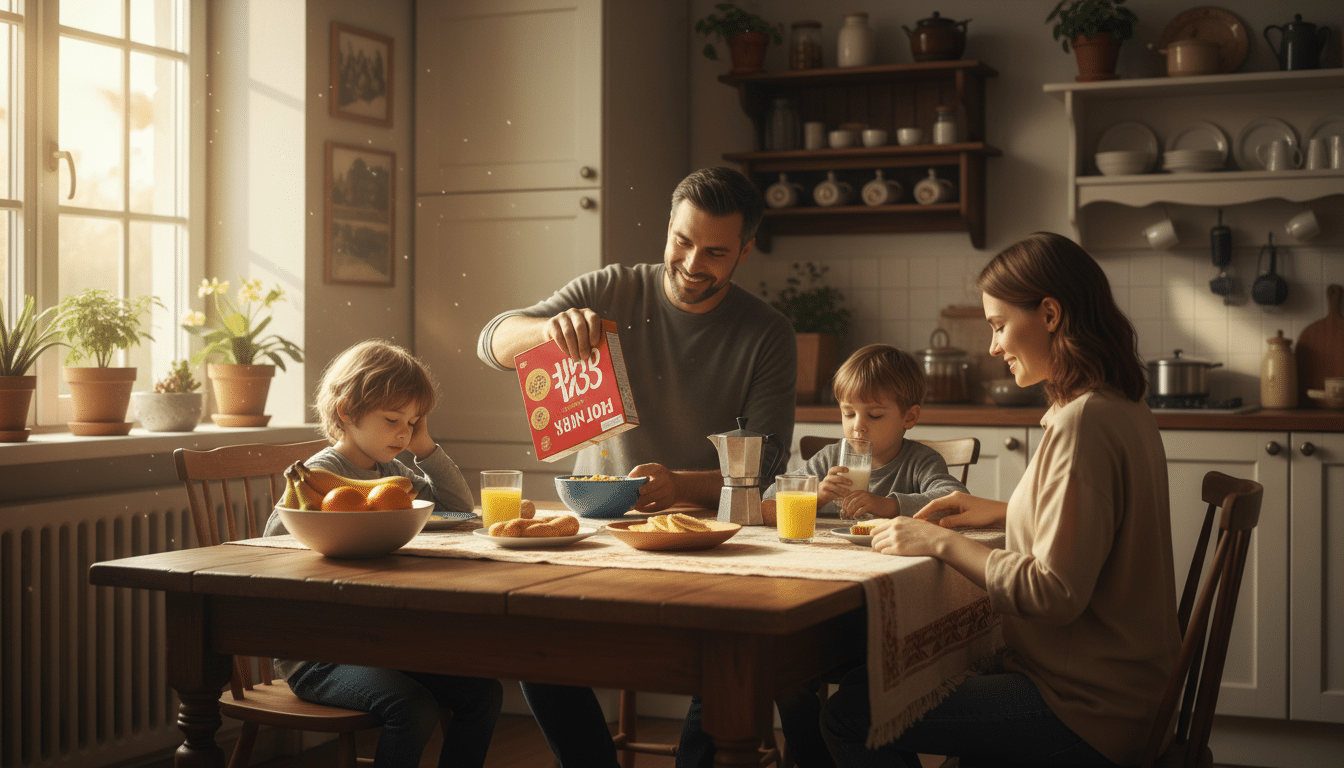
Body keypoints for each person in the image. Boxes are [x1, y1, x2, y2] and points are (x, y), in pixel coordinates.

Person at [476, 166, 798, 768]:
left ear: (745, 252)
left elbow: (769, 459)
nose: (693, 262)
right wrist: (547, 330)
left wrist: (681, 484)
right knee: (534, 648)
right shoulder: (612, 288)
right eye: (683, 240)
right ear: (668, 227)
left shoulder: (768, 333)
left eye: (716, 252)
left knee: (727, 659)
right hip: (599, 531)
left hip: (710, 538)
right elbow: (491, 339)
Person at [820, 233, 1180, 768]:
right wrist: (1008, 511)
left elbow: (1054, 592)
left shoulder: (1084, 423)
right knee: (871, 679)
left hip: (1084, 710)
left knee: (850, 712)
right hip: (1127, 693)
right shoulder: (1118, 406)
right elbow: (1097, 535)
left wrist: (939, 542)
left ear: (1050, 314)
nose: (992, 347)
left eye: (998, 325)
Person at [262, 340, 503, 768]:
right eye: (392, 419)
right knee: (413, 706)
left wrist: (425, 445)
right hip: (317, 653)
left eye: (412, 422)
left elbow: (458, 506)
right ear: (346, 413)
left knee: (483, 692)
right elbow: (276, 544)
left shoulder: (391, 472)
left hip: (376, 642)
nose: (403, 433)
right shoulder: (320, 475)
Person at [749, 344, 968, 768]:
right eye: (848, 413)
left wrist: (888, 504)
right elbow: (768, 504)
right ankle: (816, 759)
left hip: (891, 615)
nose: (857, 427)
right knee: (786, 679)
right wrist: (810, 494)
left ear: (910, 418)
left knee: (862, 687)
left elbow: (949, 500)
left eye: (874, 414)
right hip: (823, 608)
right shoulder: (832, 459)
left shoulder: (920, 460)